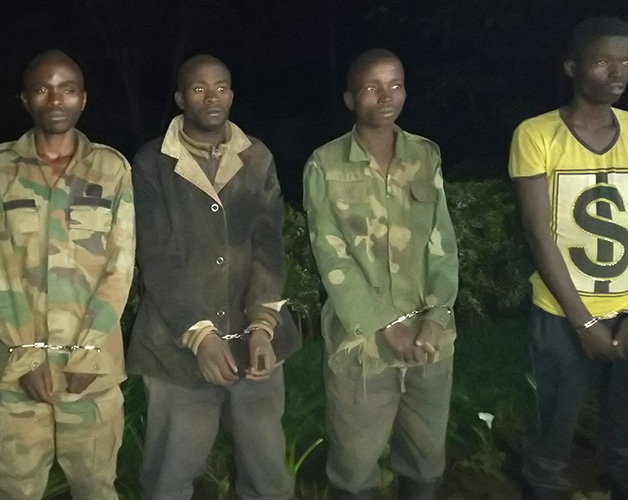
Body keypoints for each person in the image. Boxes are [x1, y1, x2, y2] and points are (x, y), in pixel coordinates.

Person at [127, 54, 301, 500]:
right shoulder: (152, 162)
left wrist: (262, 325)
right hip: (177, 349)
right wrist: (200, 335)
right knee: (169, 478)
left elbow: (269, 245)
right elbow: (156, 257)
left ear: (232, 95)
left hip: (253, 343)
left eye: (221, 87)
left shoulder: (256, 157)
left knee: (268, 477)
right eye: (199, 88)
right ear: (180, 98)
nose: (212, 97)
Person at [0, 50, 135, 500]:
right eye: (42, 89)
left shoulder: (112, 168)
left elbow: (120, 265)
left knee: (96, 487)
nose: (55, 99)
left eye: (67, 89)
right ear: (25, 99)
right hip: (20, 371)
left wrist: (89, 351)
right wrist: (26, 354)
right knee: (15, 489)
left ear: (83, 98)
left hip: (92, 373)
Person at [303, 49, 459, 500]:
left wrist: (437, 317)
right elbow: (330, 255)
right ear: (351, 99)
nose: (386, 96)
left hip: (430, 341)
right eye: (372, 87)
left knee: (425, 459)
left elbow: (442, 244)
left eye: (396, 85)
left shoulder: (425, 155)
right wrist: (386, 324)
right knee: (355, 466)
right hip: (362, 346)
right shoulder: (326, 164)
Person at [510, 16, 628, 500]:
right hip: (561, 313)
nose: (618, 72)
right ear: (572, 68)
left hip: (626, 309)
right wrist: (584, 323)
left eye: (626, 62)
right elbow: (538, 234)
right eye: (603, 61)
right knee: (554, 423)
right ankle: (543, 482)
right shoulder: (536, 134)